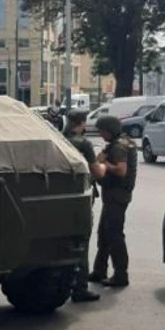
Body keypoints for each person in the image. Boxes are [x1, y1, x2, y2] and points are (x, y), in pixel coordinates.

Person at [63, 108, 108, 302]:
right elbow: (97, 173)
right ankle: (80, 288)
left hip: (58, 196)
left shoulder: (58, 139)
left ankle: (63, 282)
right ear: (82, 124)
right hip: (79, 197)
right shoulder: (84, 144)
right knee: (81, 241)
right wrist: (104, 165)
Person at [89, 115, 136, 287]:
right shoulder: (124, 141)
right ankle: (99, 270)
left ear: (110, 130)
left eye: (102, 131)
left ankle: (121, 274)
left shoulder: (118, 146)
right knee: (104, 232)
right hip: (117, 195)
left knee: (114, 234)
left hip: (117, 195)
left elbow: (121, 170)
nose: (101, 134)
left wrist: (104, 163)